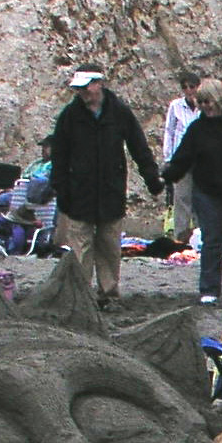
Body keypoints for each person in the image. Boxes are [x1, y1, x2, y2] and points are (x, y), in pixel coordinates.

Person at [51, 64, 163, 302]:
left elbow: (139, 147)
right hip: (78, 192)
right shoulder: (69, 117)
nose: (82, 92)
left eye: (86, 87)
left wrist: (151, 178)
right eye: (79, 88)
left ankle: (109, 293)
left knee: (109, 245)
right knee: (80, 247)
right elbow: (59, 156)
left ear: (99, 84)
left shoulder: (119, 113)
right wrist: (61, 189)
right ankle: (81, 295)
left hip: (111, 190)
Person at [163, 79, 222, 305]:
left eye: (208, 101)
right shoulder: (197, 129)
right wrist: (164, 179)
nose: (206, 106)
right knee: (212, 242)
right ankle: (209, 289)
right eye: (202, 102)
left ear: (219, 100)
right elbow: (182, 159)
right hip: (207, 193)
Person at [162, 71, 201, 241]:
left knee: (200, 196)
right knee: (182, 197)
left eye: (191, 87)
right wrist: (168, 157)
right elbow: (169, 130)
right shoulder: (175, 106)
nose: (188, 90)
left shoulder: (204, 105)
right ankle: (181, 235)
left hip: (201, 158)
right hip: (181, 157)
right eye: (185, 87)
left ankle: (200, 234)